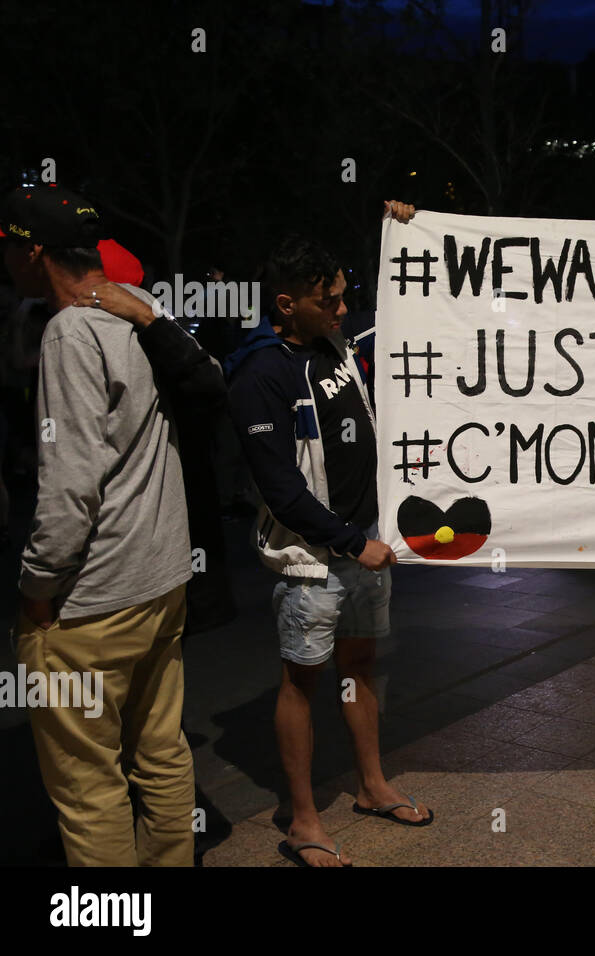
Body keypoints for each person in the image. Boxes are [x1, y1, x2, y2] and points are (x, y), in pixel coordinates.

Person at [1, 185, 202, 865]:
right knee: (162, 754)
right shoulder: (139, 317)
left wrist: (35, 587)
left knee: (89, 792)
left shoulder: (69, 332)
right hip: (162, 578)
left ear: (32, 252)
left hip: (92, 604)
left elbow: (69, 492)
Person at [226, 202, 430, 868]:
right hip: (314, 560)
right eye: (327, 300)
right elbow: (280, 491)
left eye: (344, 295)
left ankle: (372, 786)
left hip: (362, 540)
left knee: (362, 666)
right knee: (301, 683)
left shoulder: (333, 341)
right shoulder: (260, 376)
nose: (342, 309)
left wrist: (402, 225)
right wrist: (351, 541)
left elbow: (409, 313)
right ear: (286, 305)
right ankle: (304, 820)